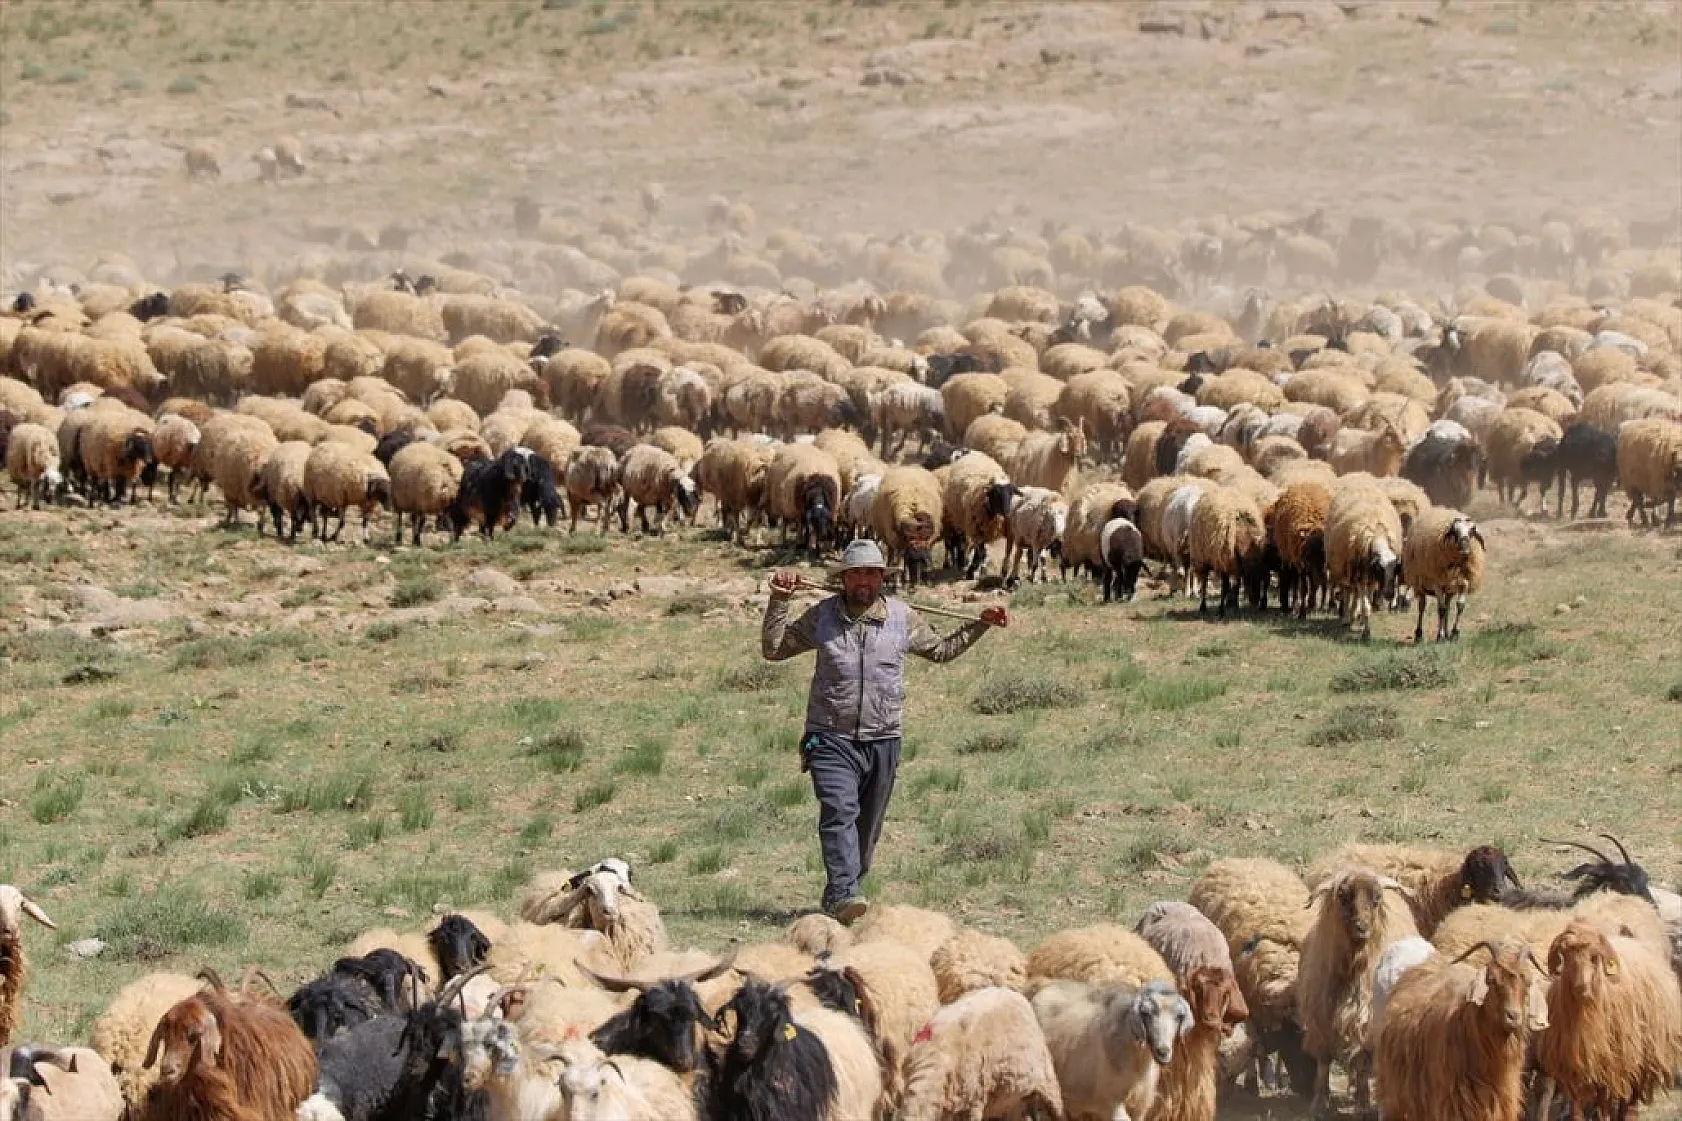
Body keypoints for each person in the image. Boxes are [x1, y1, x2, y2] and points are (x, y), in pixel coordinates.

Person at [761, 539, 1007, 925]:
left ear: (882, 579)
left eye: (872, 574)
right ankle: (845, 892)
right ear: (843, 579)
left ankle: (840, 894)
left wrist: (981, 625)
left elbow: (941, 651)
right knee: (839, 811)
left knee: (866, 829)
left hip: (883, 738)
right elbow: (774, 649)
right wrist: (779, 600)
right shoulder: (822, 616)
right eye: (856, 573)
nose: (864, 581)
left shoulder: (901, 618)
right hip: (830, 736)